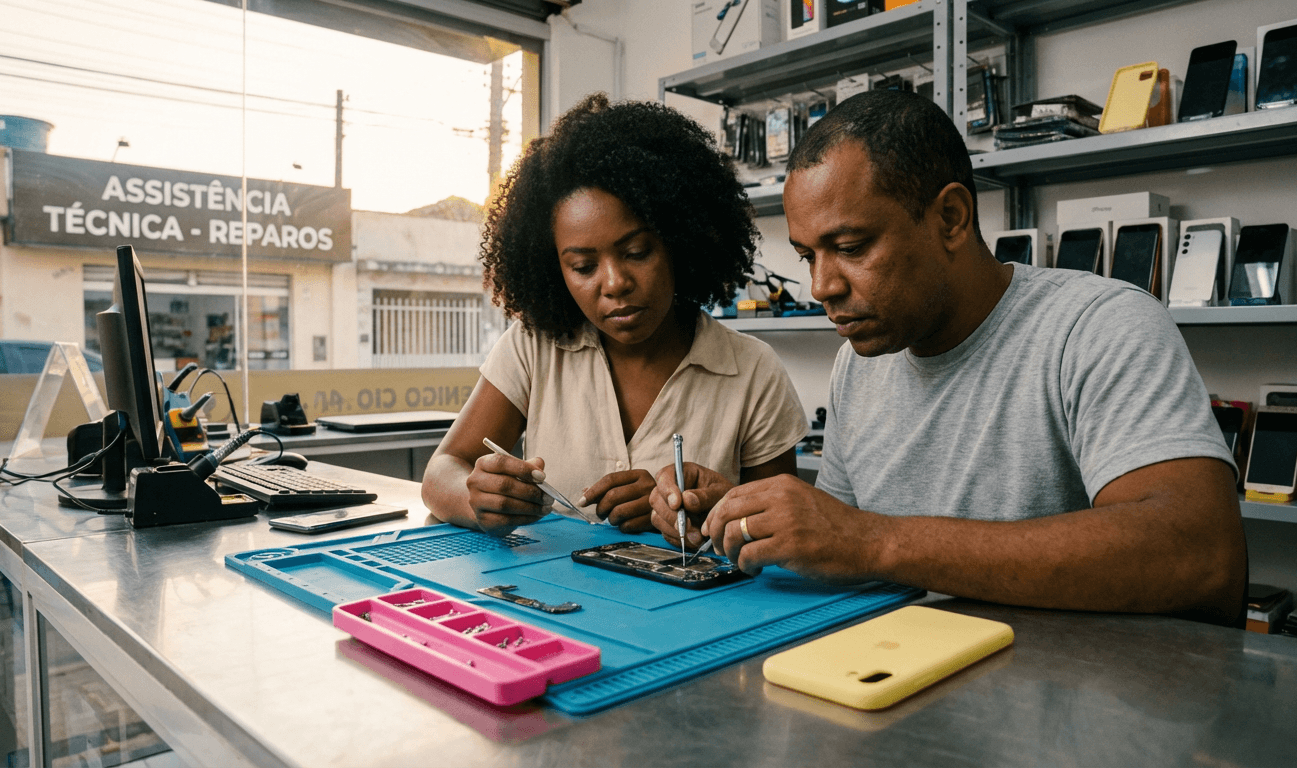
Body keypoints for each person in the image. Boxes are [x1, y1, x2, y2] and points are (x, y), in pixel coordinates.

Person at [649, 89, 1247, 625]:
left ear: (952, 219)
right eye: (808, 256)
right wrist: (746, 520)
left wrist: (871, 542)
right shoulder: (861, 362)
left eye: (851, 247)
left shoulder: (1098, 327)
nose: (822, 287)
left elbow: (1199, 556)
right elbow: (841, 541)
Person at [422, 94, 808, 536]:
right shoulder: (534, 346)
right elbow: (442, 471)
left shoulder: (753, 371)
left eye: (636, 252)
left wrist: (696, 516)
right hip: (546, 600)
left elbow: (781, 534)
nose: (614, 282)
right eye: (583, 267)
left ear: (680, 242)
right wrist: (476, 498)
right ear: (555, 269)